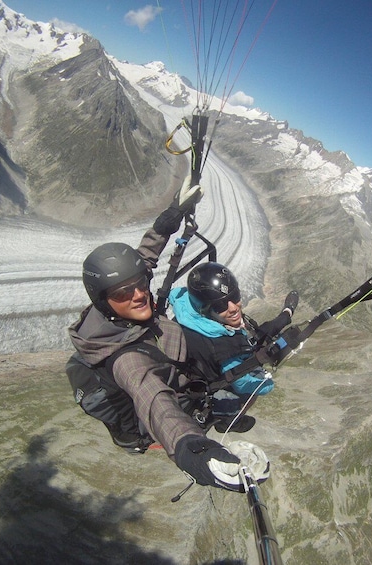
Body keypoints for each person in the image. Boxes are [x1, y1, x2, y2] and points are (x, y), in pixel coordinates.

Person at [65, 179, 269, 491]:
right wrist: (194, 450)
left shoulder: (114, 304)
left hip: (170, 351)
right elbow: (155, 401)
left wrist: (171, 216)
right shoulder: (125, 362)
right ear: (104, 300)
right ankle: (219, 413)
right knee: (241, 372)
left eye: (140, 284)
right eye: (124, 292)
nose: (138, 295)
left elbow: (144, 258)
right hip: (175, 392)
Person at [168, 262, 298, 433]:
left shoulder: (187, 308)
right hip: (204, 390)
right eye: (221, 305)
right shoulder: (223, 347)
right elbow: (243, 383)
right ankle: (229, 421)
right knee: (251, 391)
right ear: (205, 308)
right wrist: (267, 384)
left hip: (193, 369)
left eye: (235, 296)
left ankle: (287, 314)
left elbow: (255, 335)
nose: (233, 308)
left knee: (255, 338)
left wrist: (285, 314)